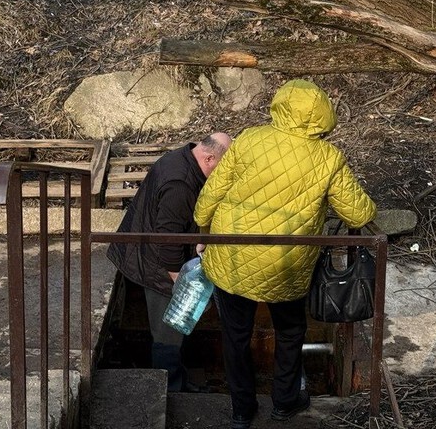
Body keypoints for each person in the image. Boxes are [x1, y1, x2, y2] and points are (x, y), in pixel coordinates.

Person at [194, 80, 375, 429]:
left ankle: (242, 411)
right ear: (324, 116)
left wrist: (203, 227)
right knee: (290, 332)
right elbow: (360, 215)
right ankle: (284, 403)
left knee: (235, 336)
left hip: (233, 257)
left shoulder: (249, 139)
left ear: (279, 106)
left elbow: (210, 198)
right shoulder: (328, 158)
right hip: (287, 267)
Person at [107, 132, 232, 392]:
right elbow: (168, 241)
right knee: (168, 335)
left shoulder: (183, 157)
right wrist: (181, 285)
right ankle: (171, 390)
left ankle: (179, 380)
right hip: (157, 264)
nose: (225, 174)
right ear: (209, 157)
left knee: (171, 331)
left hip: (147, 252)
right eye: (223, 166)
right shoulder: (180, 184)